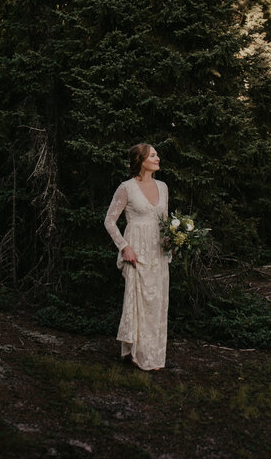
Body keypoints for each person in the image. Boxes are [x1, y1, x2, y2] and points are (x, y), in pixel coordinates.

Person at [104, 143, 171, 371]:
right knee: (138, 300)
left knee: (157, 302)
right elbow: (109, 221)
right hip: (136, 250)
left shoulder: (163, 187)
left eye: (157, 155)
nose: (158, 158)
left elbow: (165, 222)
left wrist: (172, 239)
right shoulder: (127, 188)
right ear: (140, 160)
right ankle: (135, 354)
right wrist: (125, 247)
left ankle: (154, 355)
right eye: (153, 155)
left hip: (158, 252)